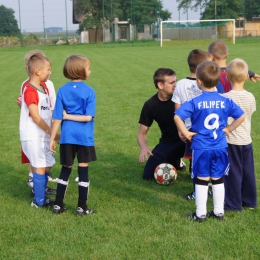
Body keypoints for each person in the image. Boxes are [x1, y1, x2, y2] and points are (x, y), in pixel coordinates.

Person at [174, 61, 245, 222]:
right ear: (218, 80)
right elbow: (241, 116)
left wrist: (185, 132)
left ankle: (200, 214)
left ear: (199, 81)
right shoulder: (225, 100)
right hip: (220, 145)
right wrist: (228, 129)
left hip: (201, 147)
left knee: (202, 178)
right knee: (218, 178)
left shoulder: (195, 101)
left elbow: (177, 115)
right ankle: (219, 212)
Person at [50, 54, 97, 216]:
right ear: (81, 71)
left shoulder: (62, 90)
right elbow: (88, 117)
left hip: (67, 137)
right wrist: (69, 116)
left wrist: (51, 138)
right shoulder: (90, 91)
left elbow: (57, 116)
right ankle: (81, 207)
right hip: (84, 137)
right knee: (83, 170)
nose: (90, 71)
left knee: (65, 169)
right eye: (88, 68)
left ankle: (58, 205)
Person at [19, 54, 60, 208]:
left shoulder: (43, 88)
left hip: (44, 135)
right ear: (37, 71)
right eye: (48, 70)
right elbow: (36, 117)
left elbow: (47, 113)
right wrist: (53, 134)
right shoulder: (30, 90)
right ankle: (38, 201)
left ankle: (40, 194)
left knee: (48, 164)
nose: (50, 73)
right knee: (40, 166)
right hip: (33, 135)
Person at [172, 49, 212, 200]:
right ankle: (206, 189)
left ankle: (197, 191)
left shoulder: (180, 84)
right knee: (206, 160)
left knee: (195, 161)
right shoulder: (209, 83)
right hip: (207, 129)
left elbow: (178, 109)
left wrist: (180, 129)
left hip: (189, 130)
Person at [137, 68, 186, 181]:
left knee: (197, 172)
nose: (176, 85)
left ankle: (183, 160)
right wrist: (144, 147)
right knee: (148, 175)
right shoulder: (150, 105)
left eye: (176, 81)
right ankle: (176, 161)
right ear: (160, 85)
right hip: (168, 142)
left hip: (188, 139)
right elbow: (142, 133)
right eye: (171, 82)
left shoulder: (182, 98)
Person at [224, 58, 257, 211]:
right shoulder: (251, 97)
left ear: (228, 77)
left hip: (231, 141)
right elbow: (249, 114)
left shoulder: (225, 98)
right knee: (248, 171)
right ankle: (250, 201)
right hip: (246, 140)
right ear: (246, 77)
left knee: (233, 172)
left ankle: (233, 204)